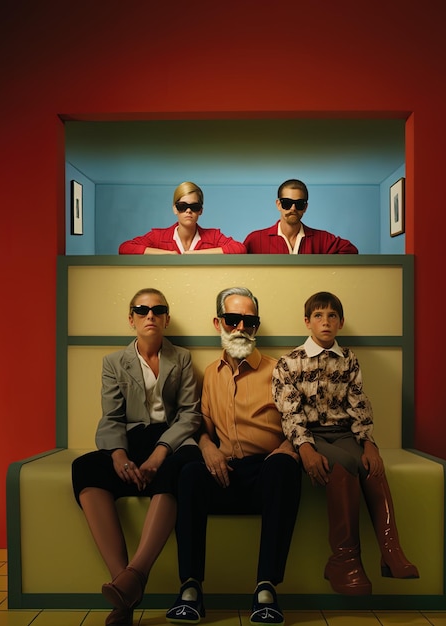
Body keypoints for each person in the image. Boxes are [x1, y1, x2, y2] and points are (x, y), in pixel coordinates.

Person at [166, 287, 301, 626]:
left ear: (256, 326)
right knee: (190, 474)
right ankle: (190, 591)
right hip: (223, 471)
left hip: (267, 471)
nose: (241, 327)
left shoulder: (279, 369)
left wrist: (285, 450)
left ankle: (266, 591)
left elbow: (299, 424)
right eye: (232, 319)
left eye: (249, 321)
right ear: (218, 323)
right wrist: (207, 447)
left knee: (284, 467)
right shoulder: (210, 374)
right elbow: (202, 427)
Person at [272, 291, 419, 596]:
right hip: (311, 435)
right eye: (318, 316)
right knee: (342, 467)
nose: (325, 321)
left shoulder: (348, 359)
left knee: (370, 467)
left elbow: (359, 403)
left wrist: (368, 443)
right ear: (307, 322)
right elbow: (289, 412)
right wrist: (305, 447)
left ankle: (391, 551)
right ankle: (344, 560)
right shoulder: (289, 362)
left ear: (340, 322)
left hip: (344, 433)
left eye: (332, 316)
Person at [71, 288, 203, 626]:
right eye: (141, 310)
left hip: (171, 441)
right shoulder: (114, 362)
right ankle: (124, 584)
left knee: (181, 468)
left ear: (166, 318)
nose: (150, 315)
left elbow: (190, 415)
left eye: (157, 310)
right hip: (129, 442)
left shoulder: (183, 358)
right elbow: (112, 417)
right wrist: (118, 456)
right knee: (84, 467)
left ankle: (136, 573)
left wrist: (160, 454)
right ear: (131, 318)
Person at [119, 181, 246, 254]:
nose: (188, 210)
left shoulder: (213, 236)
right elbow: (125, 248)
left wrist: (197, 255)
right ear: (175, 209)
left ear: (200, 210)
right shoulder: (158, 236)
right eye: (182, 206)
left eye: (194, 206)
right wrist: (167, 255)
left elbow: (240, 249)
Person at [243, 179, 358, 254]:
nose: (293, 208)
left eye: (299, 204)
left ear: (305, 207)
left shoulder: (322, 239)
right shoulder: (255, 239)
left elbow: (351, 251)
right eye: (287, 203)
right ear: (278, 205)